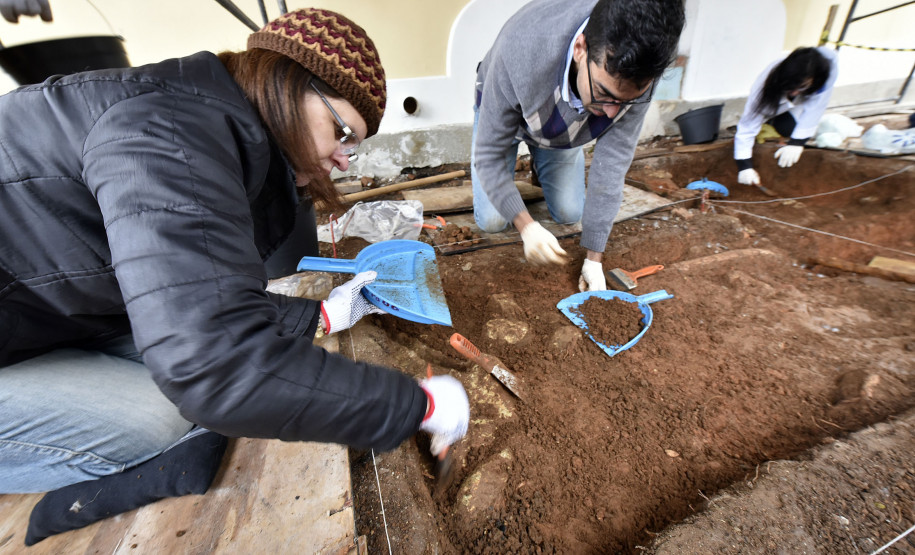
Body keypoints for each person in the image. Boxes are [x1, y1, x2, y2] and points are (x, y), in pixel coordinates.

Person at [0, 7, 469, 539]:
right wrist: (418, 404)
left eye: (352, 145)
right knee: (161, 420)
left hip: (42, 313)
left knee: (177, 374)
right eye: (342, 132)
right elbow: (218, 369)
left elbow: (189, 290)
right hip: (28, 326)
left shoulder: (200, 122)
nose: (344, 161)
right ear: (285, 81)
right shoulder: (165, 137)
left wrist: (319, 315)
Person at [471, 0, 685, 292]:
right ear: (580, 49)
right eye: (604, 94)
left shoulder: (642, 66)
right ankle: (529, 153)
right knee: (493, 221)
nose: (612, 114)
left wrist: (594, 258)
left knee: (571, 212)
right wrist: (527, 226)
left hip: (562, 127)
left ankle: (543, 156)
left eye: (626, 102)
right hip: (512, 111)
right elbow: (487, 156)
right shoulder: (520, 50)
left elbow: (612, 166)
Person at [734, 46, 838, 187]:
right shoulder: (767, 81)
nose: (795, 92)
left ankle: (781, 122)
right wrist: (744, 166)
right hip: (775, 96)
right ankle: (772, 119)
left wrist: (797, 143)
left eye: (801, 87)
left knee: (789, 129)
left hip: (799, 105)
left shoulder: (825, 74)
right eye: (791, 88)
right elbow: (748, 123)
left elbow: (815, 109)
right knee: (777, 121)